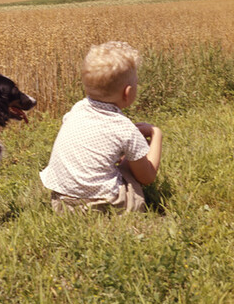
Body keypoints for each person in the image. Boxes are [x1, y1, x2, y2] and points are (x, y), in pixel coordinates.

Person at [39, 41, 162, 213]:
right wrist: (156, 135)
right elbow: (147, 177)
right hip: (102, 205)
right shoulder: (125, 128)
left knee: (126, 154)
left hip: (62, 203)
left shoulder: (77, 109)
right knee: (131, 164)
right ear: (127, 93)